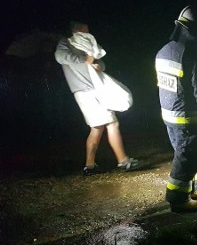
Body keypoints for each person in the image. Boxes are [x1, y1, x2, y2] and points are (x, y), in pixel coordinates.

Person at [155, 6, 197, 212]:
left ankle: (191, 190)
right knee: (190, 157)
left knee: (183, 153)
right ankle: (178, 200)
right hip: (188, 117)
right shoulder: (196, 56)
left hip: (169, 114)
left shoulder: (164, 51)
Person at [55, 21, 141, 176]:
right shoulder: (66, 43)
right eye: (86, 28)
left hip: (96, 88)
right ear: (79, 28)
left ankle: (91, 165)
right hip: (84, 90)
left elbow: (99, 62)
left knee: (99, 127)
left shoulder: (86, 44)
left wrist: (99, 65)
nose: (89, 31)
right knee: (110, 124)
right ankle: (122, 161)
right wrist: (84, 60)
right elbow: (60, 57)